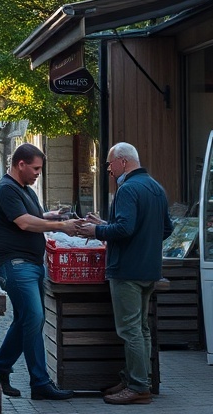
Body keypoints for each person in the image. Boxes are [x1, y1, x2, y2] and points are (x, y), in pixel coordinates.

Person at [78, 142, 173, 406]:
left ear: (122, 161)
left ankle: (138, 387)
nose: (108, 169)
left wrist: (96, 231)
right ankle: (137, 379)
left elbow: (124, 230)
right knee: (140, 328)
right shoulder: (155, 187)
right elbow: (166, 228)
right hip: (148, 269)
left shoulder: (127, 189)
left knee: (130, 329)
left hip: (127, 270)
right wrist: (109, 226)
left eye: (109, 164)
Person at [0, 143, 78, 402]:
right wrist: (61, 225)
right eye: (36, 168)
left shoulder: (24, 190)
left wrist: (52, 215)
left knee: (27, 320)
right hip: (16, 266)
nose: (39, 173)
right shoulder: (6, 189)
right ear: (21, 164)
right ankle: (39, 382)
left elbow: (34, 215)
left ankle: (0, 367)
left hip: (31, 265)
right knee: (34, 317)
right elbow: (24, 221)